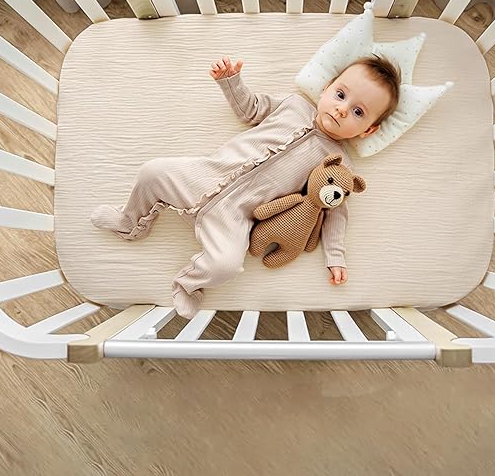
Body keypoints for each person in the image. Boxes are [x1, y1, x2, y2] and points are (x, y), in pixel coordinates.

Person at [90, 53, 401, 318]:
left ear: (368, 131)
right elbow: (250, 109)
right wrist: (231, 82)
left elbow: (334, 213)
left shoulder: (338, 164)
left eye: (358, 112)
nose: (342, 109)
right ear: (325, 89)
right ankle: (130, 222)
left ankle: (188, 284)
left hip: (238, 215)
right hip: (203, 175)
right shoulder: (293, 105)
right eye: (340, 95)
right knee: (152, 171)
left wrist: (335, 257)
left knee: (225, 265)